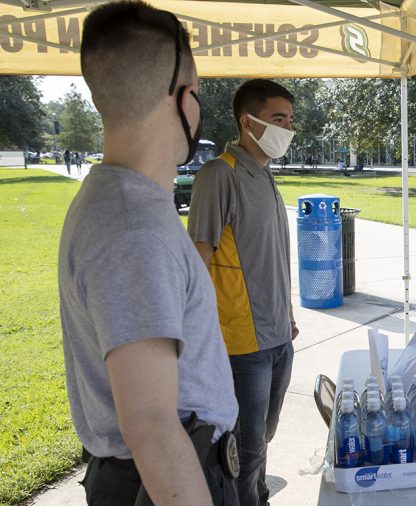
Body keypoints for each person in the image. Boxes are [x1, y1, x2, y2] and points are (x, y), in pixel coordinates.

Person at [58, 2, 239, 505]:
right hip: (168, 482)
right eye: (198, 94)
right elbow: (153, 430)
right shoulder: (134, 230)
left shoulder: (123, 202)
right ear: (183, 101)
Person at [188, 78, 298, 506]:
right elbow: (198, 258)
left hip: (277, 334)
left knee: (262, 438)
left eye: (290, 119)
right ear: (247, 122)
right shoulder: (220, 175)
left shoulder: (266, 176)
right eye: (277, 118)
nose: (286, 128)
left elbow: (271, 257)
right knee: (244, 448)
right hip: (240, 342)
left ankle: (256, 495)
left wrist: (286, 313)